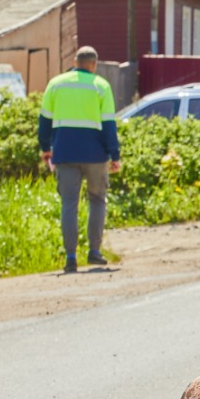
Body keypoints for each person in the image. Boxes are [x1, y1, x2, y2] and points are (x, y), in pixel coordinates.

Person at [39, 46, 121, 273]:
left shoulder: (56, 84)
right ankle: (94, 252)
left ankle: (71, 257)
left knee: (69, 204)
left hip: (65, 153)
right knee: (96, 200)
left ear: (75, 61)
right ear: (94, 64)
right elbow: (108, 125)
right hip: (96, 155)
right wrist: (115, 155)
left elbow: (44, 120)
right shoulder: (101, 86)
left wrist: (46, 148)